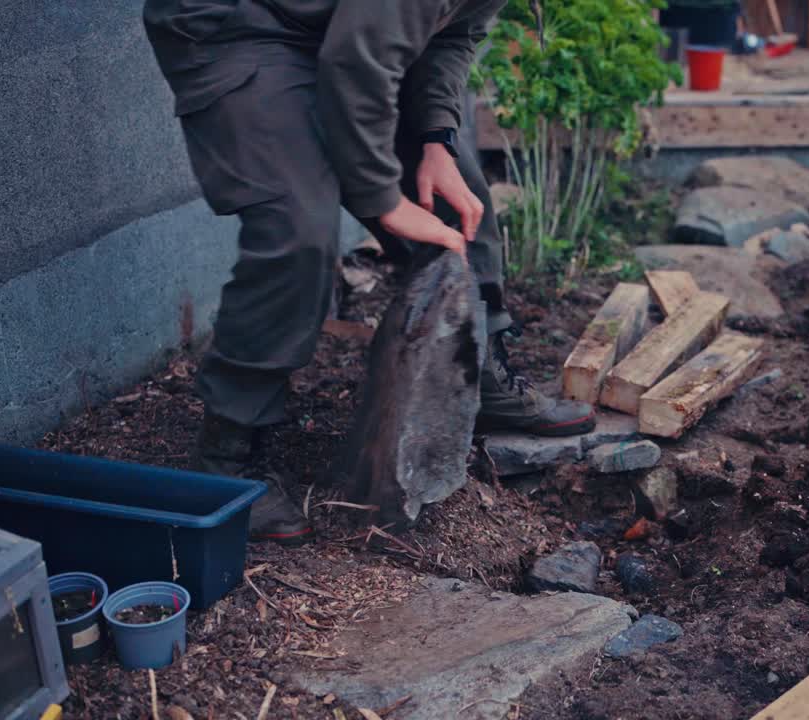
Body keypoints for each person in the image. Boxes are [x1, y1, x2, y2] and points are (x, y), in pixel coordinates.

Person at [142, 0, 596, 545]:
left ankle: (479, 373)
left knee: (455, 198)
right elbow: (357, 60)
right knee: (297, 230)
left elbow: (451, 36)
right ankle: (225, 455)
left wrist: (436, 137)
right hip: (239, 25)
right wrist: (383, 197)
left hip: (336, 29)